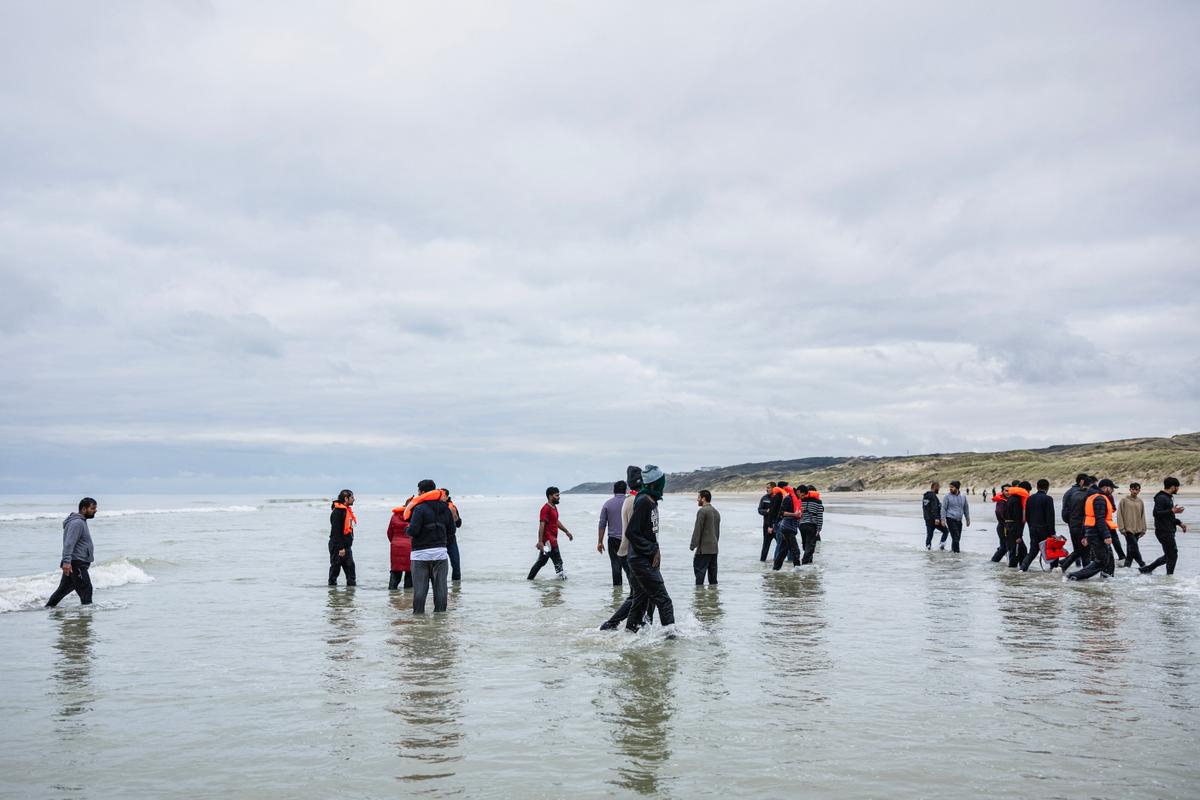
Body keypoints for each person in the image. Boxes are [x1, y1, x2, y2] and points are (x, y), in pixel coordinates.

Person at [600, 466, 656, 630]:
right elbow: (636, 532)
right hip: (634, 553)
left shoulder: (632, 499)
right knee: (639, 593)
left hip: (627, 550)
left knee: (642, 591)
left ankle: (641, 624)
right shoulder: (636, 500)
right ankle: (617, 625)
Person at [623, 465, 675, 635]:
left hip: (643, 558)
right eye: (662, 482)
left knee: (640, 599)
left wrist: (656, 548)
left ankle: (629, 634)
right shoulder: (644, 500)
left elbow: (649, 533)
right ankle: (670, 639)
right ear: (655, 483)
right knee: (664, 600)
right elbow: (631, 532)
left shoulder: (651, 500)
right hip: (640, 560)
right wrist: (652, 549)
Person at [406, 479, 455, 612]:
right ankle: (439, 622)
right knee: (441, 590)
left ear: (422, 492)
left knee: (420, 591)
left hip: (420, 555)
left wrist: (407, 529)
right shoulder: (445, 507)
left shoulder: (419, 508)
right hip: (440, 553)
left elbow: (414, 531)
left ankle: (419, 621)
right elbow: (452, 531)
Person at [45, 498, 97, 608]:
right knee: (86, 590)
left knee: (62, 591)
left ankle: (48, 609)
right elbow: (69, 543)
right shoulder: (77, 523)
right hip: (76, 564)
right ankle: (85, 619)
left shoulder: (80, 521)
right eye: (92, 508)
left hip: (75, 563)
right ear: (83, 509)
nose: (95, 510)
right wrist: (67, 562)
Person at [1068, 479, 1119, 581]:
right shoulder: (1099, 498)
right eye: (1112, 488)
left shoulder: (1092, 497)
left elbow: (1086, 518)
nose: (1113, 490)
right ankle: (1074, 576)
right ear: (1105, 487)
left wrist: (1085, 535)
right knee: (1102, 561)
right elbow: (1099, 519)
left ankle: (1107, 580)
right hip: (1097, 533)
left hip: (1093, 532)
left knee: (1109, 559)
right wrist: (1106, 536)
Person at [1141, 477, 1188, 575]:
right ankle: (1169, 576)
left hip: (1167, 530)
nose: (1178, 489)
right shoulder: (1161, 498)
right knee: (1173, 555)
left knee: (1169, 555)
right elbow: (1156, 513)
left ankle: (1147, 569)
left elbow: (1169, 517)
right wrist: (1172, 511)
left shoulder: (1168, 497)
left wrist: (1180, 523)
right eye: (1177, 487)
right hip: (1163, 531)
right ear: (1172, 487)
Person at [528, 486, 574, 580]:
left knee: (541, 562)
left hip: (551, 541)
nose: (559, 497)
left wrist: (566, 531)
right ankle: (562, 583)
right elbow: (542, 525)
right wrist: (540, 541)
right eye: (556, 495)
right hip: (549, 542)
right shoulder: (545, 509)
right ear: (550, 496)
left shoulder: (554, 507)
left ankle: (529, 580)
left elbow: (556, 521)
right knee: (558, 562)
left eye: (559, 495)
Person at [1020, 479, 1056, 571]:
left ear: (1037, 487)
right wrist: (1052, 532)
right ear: (1047, 487)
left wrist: (1031, 527)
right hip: (1045, 529)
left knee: (1033, 551)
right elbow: (1050, 517)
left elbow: (1027, 515)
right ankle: (1054, 569)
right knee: (1051, 549)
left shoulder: (1029, 498)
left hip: (1033, 528)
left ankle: (1023, 568)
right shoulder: (1048, 499)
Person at [598, 481, 628, 586]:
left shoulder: (607, 504)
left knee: (616, 567)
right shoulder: (630, 502)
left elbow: (602, 524)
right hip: (628, 540)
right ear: (625, 490)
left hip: (613, 540)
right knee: (630, 568)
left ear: (614, 490)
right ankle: (634, 593)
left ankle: (617, 595)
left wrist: (600, 542)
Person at [690, 489, 720, 585]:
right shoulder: (716, 512)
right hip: (714, 549)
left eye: (698, 497)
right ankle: (713, 598)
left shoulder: (702, 511)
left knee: (699, 576)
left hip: (703, 550)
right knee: (713, 579)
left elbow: (698, 530)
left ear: (703, 498)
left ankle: (699, 598)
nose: (697, 500)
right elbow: (717, 532)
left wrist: (693, 545)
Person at [328, 489, 357, 586]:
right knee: (335, 570)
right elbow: (336, 532)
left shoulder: (346, 511)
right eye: (352, 497)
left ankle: (350, 597)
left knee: (351, 572)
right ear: (346, 498)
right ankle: (332, 595)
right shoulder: (337, 512)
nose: (354, 499)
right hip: (338, 547)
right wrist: (341, 548)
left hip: (346, 547)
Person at [772, 483, 804, 570]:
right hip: (786, 527)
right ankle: (797, 570)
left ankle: (775, 569)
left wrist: (800, 514)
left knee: (783, 550)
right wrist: (795, 514)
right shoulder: (788, 499)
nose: (803, 497)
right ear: (798, 491)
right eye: (802, 495)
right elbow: (782, 513)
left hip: (790, 527)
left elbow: (797, 515)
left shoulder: (797, 500)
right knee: (795, 550)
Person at [1117, 483, 1147, 569]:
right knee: (1134, 547)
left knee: (1131, 550)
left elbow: (1143, 515)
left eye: (1136, 489)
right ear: (1130, 490)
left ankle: (1127, 567)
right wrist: (1121, 528)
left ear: (1139, 490)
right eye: (1133, 489)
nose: (1134, 491)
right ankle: (1142, 565)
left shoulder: (1140, 501)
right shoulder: (1124, 500)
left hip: (1138, 529)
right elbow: (1120, 515)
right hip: (1128, 529)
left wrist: (1144, 529)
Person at [386, 499, 414, 590]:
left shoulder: (395, 516)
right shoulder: (414, 516)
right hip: (410, 546)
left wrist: (394, 541)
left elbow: (389, 532)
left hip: (396, 546)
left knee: (395, 571)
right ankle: (408, 596)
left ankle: (392, 594)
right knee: (410, 572)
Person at [940, 480, 970, 552]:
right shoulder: (947, 496)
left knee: (957, 538)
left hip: (959, 520)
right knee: (956, 537)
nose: (950, 489)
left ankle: (953, 552)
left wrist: (967, 519)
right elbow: (943, 508)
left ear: (957, 488)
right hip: (950, 518)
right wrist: (943, 519)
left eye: (952, 487)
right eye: (950, 487)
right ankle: (957, 554)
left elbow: (966, 507)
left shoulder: (963, 496)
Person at [798, 485, 825, 564]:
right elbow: (820, 516)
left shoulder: (801, 500)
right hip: (812, 525)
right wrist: (819, 528)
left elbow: (798, 514)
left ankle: (809, 562)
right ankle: (805, 562)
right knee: (811, 546)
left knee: (805, 544)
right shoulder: (818, 502)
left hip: (802, 525)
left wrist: (798, 524)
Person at [444, 489, 464, 582]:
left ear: (447, 497)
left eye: (443, 495)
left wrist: (455, 515)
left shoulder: (452, 507)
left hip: (451, 540)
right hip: (438, 541)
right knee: (440, 567)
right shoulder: (435, 507)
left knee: (456, 565)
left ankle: (456, 589)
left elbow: (459, 524)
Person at [989, 485, 1010, 562]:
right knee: (1004, 547)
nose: (1008, 492)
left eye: (1009, 490)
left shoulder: (1009, 500)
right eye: (1006, 490)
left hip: (1006, 526)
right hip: (1003, 527)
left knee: (1004, 546)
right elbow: (999, 513)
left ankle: (995, 561)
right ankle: (993, 561)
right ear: (1002, 492)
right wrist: (1006, 522)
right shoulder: (1001, 501)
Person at [758, 482, 776, 561]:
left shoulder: (778, 498)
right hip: (766, 525)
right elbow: (759, 510)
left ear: (774, 488)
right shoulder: (764, 498)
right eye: (766, 488)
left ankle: (777, 560)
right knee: (766, 544)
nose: (767, 489)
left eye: (768, 488)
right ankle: (762, 562)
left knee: (781, 544)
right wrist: (766, 511)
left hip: (776, 525)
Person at [922, 481, 943, 550]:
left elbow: (925, 508)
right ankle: (941, 546)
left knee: (929, 535)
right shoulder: (933, 496)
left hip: (927, 519)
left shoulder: (925, 496)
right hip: (934, 519)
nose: (939, 489)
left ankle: (928, 549)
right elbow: (934, 508)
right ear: (935, 487)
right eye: (938, 488)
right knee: (946, 531)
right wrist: (937, 518)